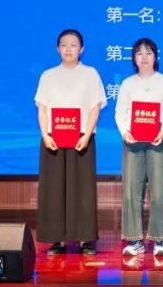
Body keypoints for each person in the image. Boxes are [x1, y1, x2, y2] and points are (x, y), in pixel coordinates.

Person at [35, 29, 107, 255]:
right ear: (57, 49)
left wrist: (87, 135)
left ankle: (85, 239)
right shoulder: (48, 76)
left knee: (83, 189)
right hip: (53, 139)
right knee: (54, 189)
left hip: (81, 138)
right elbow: (42, 108)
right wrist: (45, 135)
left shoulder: (90, 74)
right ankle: (57, 240)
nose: (68, 49)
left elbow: (95, 107)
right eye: (64, 45)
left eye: (73, 45)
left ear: (81, 49)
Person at [115, 38, 163, 258]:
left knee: (159, 190)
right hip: (132, 140)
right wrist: (124, 132)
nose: (144, 57)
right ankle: (134, 240)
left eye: (148, 53)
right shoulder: (127, 84)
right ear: (134, 58)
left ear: (155, 56)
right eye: (139, 53)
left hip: (158, 139)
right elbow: (120, 112)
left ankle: (159, 238)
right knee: (131, 191)